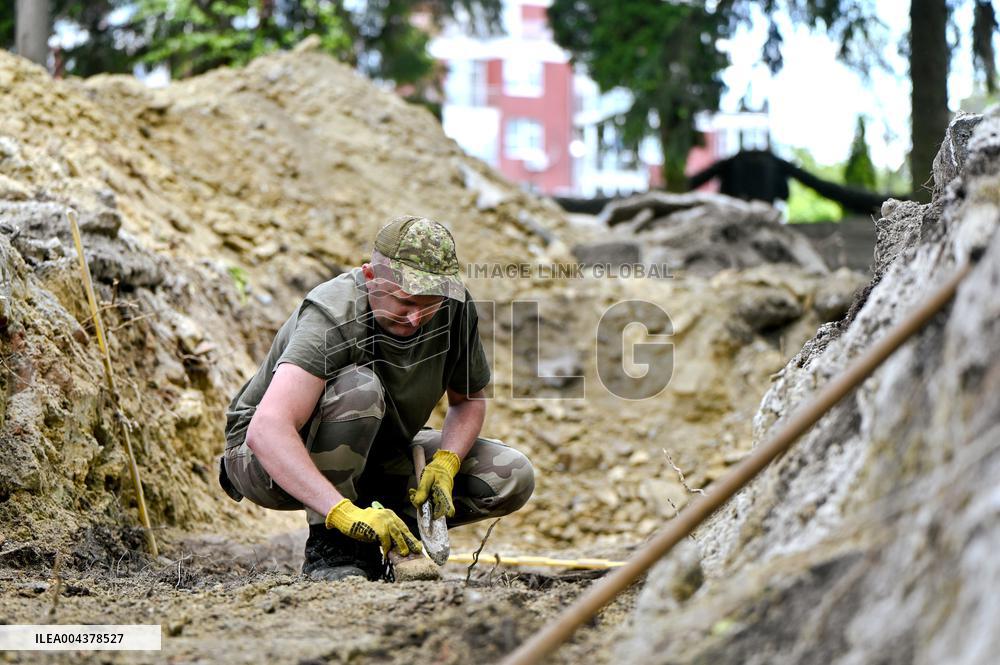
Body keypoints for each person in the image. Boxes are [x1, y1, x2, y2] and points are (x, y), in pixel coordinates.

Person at [218, 215, 535, 581]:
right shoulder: (333, 314)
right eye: (404, 301)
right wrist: (340, 512)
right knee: (359, 388)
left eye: (428, 304)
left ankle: (390, 528)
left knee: (512, 475)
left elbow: (468, 401)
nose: (417, 317)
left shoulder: (453, 306)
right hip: (263, 460)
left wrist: (446, 462)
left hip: (382, 453)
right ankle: (334, 546)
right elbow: (268, 429)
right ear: (371, 277)